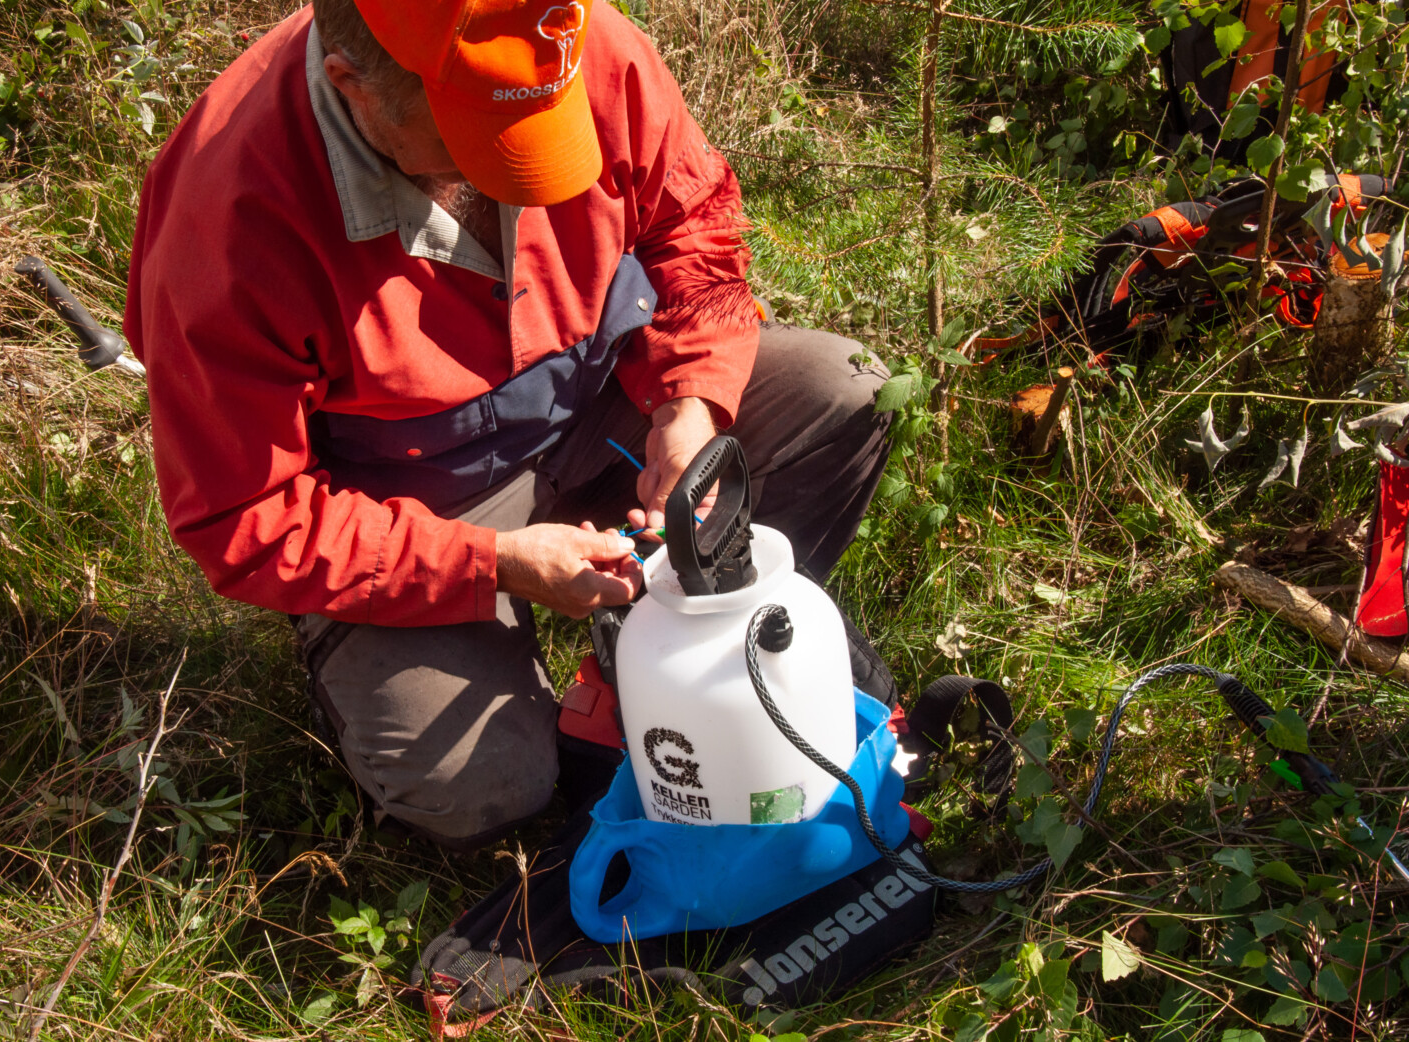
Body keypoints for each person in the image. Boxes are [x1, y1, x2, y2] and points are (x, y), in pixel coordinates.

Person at [125, 0, 890, 850]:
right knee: (486, 789)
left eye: (545, 128)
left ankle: (681, 635)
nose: (525, 172)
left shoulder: (563, 40)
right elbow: (244, 518)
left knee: (843, 389)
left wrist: (688, 406)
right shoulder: (230, 215)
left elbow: (691, 224)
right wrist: (491, 565)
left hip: (602, 409)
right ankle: (368, 655)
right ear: (355, 87)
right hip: (410, 506)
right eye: (482, 140)